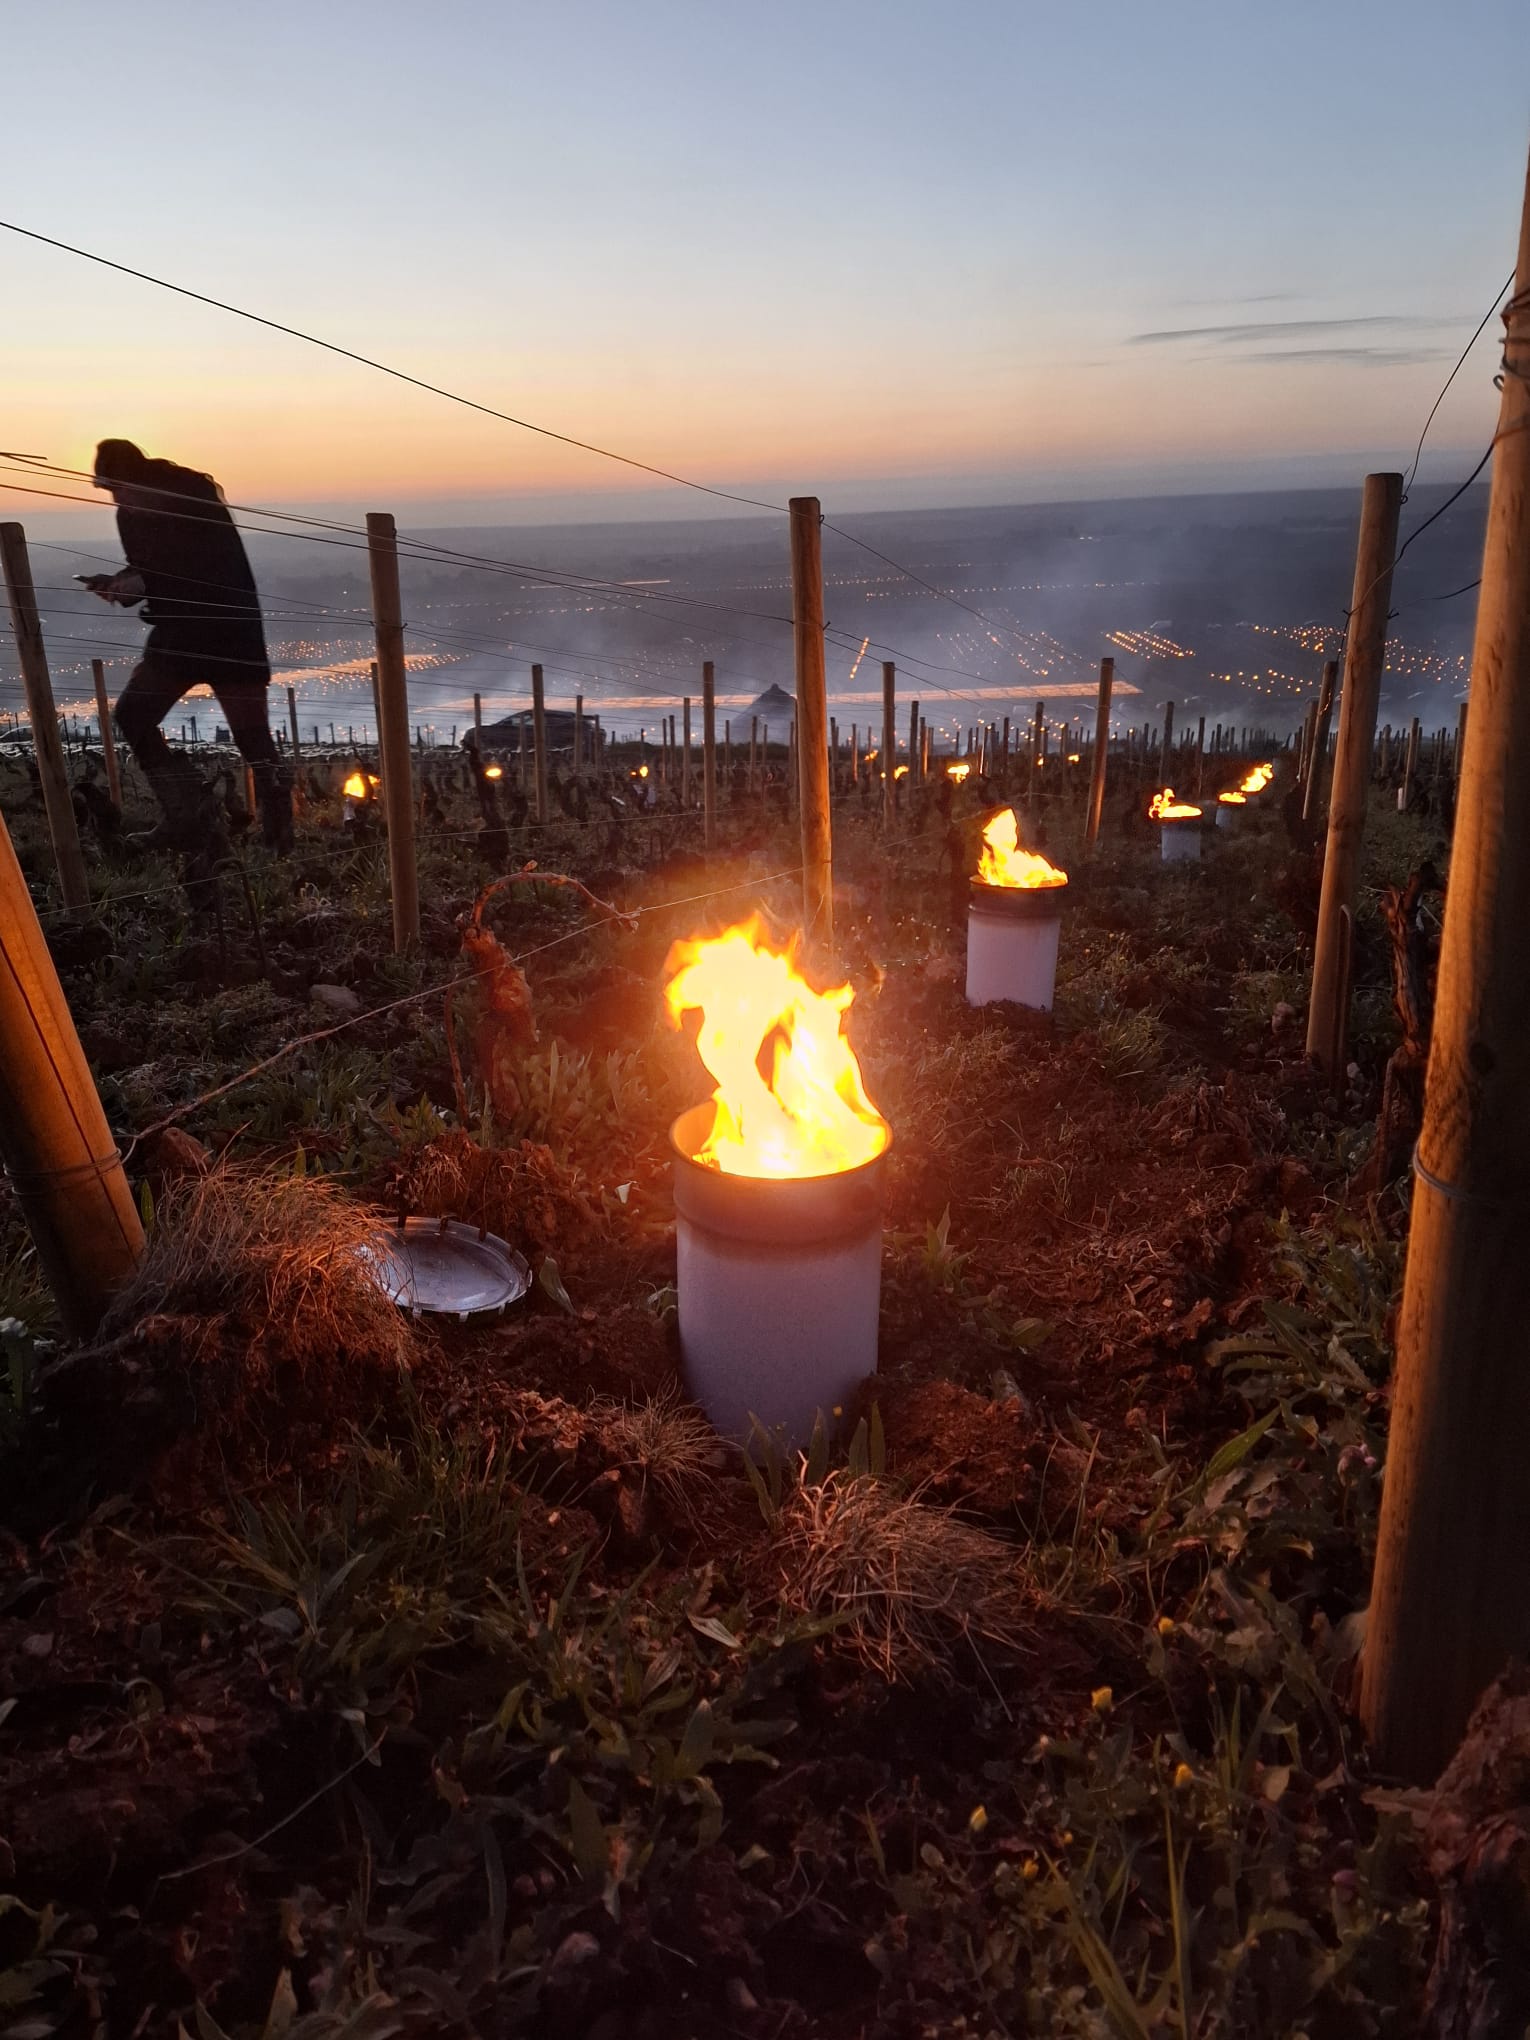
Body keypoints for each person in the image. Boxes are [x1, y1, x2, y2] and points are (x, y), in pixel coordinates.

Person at [84, 439, 293, 852]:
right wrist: (122, 586)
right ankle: (185, 816)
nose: (117, 498)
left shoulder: (193, 500)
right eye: (110, 490)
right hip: (179, 633)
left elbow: (199, 567)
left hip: (229, 632)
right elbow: (149, 570)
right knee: (133, 715)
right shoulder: (129, 514)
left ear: (139, 478)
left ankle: (279, 836)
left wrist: (140, 582)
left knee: (252, 737)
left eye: (119, 488)